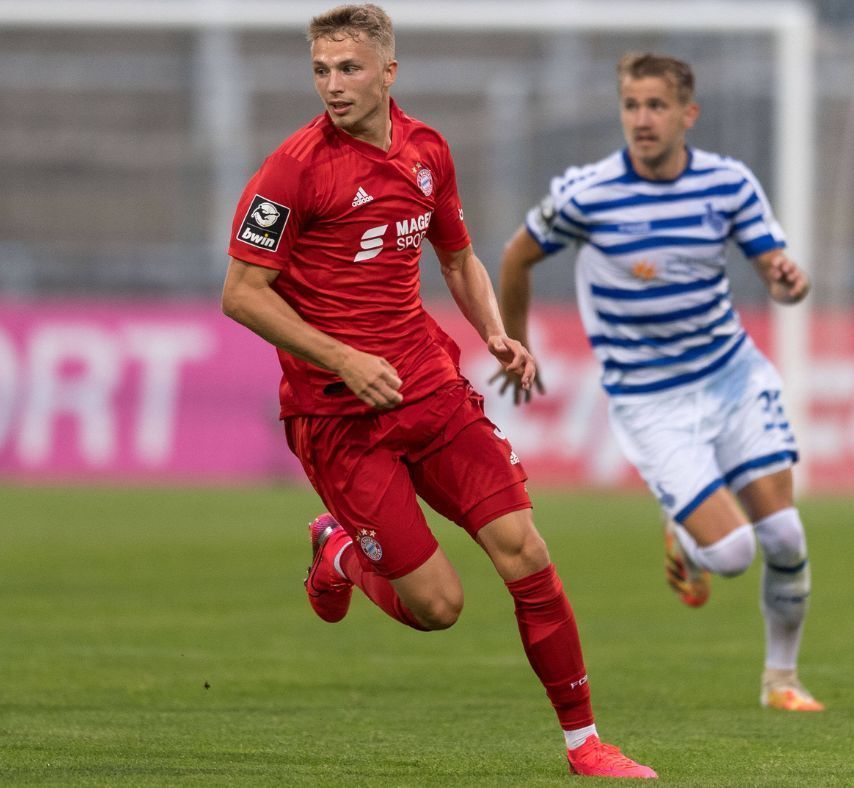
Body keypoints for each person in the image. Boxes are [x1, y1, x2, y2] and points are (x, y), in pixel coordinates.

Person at [220, 4, 655, 779]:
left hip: (429, 391)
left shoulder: (428, 151)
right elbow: (244, 294)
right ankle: (341, 553)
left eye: (349, 68)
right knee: (439, 608)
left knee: (525, 550)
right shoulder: (292, 168)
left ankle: (585, 745)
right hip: (339, 417)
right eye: (320, 70)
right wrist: (341, 358)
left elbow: (457, 258)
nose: (332, 85)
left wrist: (494, 332)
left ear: (389, 72)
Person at [495, 53, 823, 712]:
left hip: (730, 375)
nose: (641, 120)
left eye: (655, 106)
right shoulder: (588, 193)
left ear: (686, 114)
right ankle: (688, 529)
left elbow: (777, 274)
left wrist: (791, 282)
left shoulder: (728, 184)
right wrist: (517, 343)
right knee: (731, 555)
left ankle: (780, 681)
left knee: (786, 538)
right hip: (649, 400)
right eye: (631, 106)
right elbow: (516, 255)